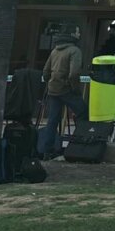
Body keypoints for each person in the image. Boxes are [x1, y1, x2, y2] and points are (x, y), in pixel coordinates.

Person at [37, 24, 87, 159]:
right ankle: (79, 145)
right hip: (66, 88)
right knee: (83, 113)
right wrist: (75, 88)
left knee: (52, 120)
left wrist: (50, 82)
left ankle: (47, 150)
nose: (79, 34)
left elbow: (46, 71)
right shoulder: (74, 51)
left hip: (53, 88)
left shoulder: (55, 51)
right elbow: (74, 73)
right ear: (72, 35)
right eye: (77, 32)